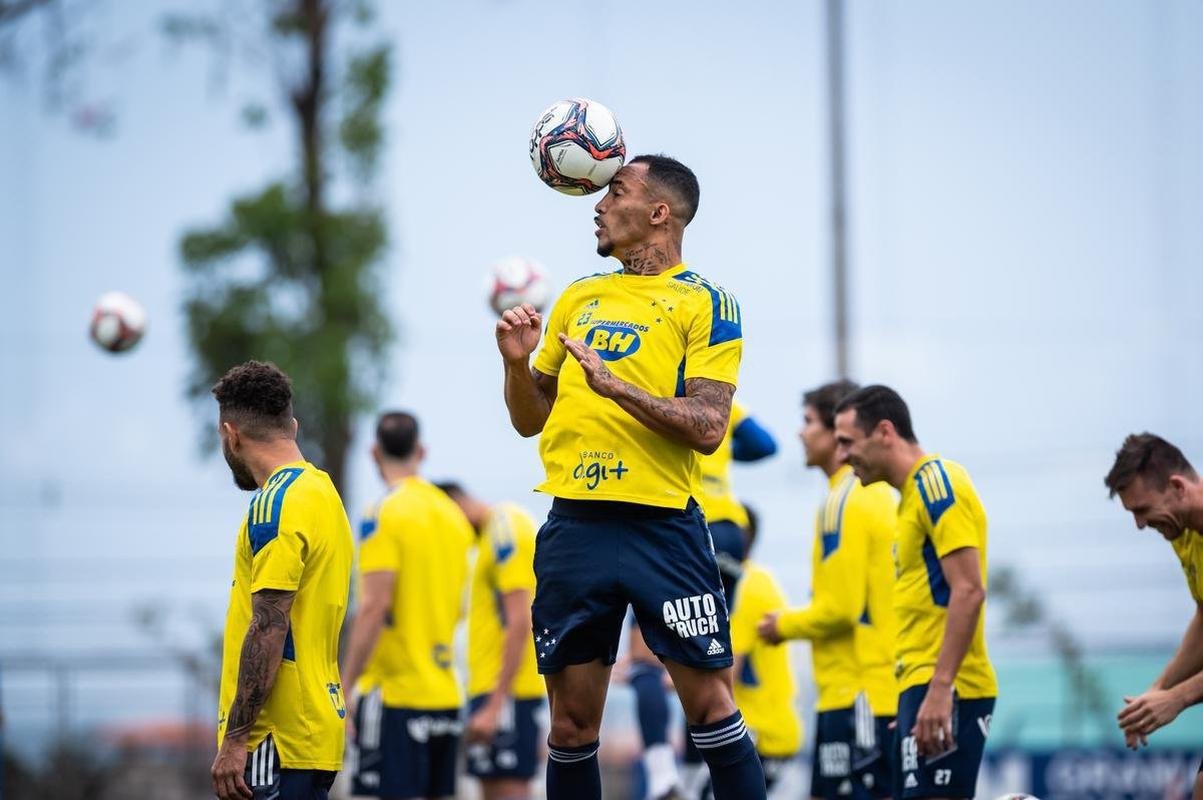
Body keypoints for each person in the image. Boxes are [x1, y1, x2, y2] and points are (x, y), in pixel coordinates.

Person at [495, 154, 766, 800]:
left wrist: (616, 388)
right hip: (575, 527)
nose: (596, 202)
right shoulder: (579, 296)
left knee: (709, 706)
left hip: (661, 526)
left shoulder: (706, 302)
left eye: (615, 189)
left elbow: (707, 423)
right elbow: (530, 419)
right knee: (570, 724)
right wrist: (515, 364)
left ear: (658, 212)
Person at [829, 385, 996, 800]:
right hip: (919, 688)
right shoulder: (905, 499)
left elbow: (969, 590)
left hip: (950, 689)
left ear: (885, 431)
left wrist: (940, 689)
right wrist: (911, 703)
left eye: (848, 442)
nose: (842, 455)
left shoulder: (939, 483)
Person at [210, 360, 353, 800]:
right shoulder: (324, 493)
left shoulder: (274, 504)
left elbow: (269, 624)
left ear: (231, 434)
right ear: (291, 426)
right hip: (316, 730)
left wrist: (236, 740)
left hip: (275, 740)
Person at [757, 380, 898, 800]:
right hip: (879, 690)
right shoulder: (879, 494)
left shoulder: (844, 499)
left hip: (856, 695)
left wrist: (782, 625)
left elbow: (840, 609)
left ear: (838, 435)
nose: (800, 433)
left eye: (808, 422)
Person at [630, 401, 778, 800]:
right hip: (729, 531)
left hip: (677, 518)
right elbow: (766, 445)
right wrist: (724, 447)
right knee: (706, 659)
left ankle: (662, 774)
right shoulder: (718, 398)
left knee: (645, 661)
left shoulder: (650, 387)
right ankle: (697, 780)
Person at [340, 412, 474, 800]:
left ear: (373, 453)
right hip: (447, 697)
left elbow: (373, 607)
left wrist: (345, 688)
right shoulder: (454, 517)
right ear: (421, 451)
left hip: (395, 697)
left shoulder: (382, 514)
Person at [1105, 433, 1203, 799]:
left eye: (1142, 510)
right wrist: (1157, 693)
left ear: (1177, 487)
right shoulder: (1186, 533)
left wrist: (1177, 698)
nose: (1140, 525)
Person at [438, 482, 546, 800]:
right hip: (491, 691)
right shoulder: (488, 538)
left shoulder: (504, 528)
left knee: (508, 790)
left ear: (456, 506)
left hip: (508, 694)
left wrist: (496, 704)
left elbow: (519, 619)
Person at [724, 504, 803, 794]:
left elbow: (725, 673)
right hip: (769, 732)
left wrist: (658, 682)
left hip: (763, 736)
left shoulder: (744, 587)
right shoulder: (758, 579)